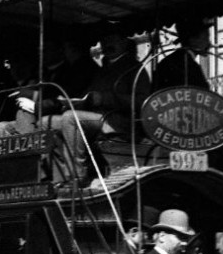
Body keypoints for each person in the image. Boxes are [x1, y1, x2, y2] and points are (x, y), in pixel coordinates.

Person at [52, 25, 152, 187]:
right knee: (48, 122)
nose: (107, 45)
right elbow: (89, 94)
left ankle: (78, 177)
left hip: (120, 122)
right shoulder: (103, 69)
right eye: (104, 41)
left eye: (112, 40)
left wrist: (104, 98)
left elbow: (142, 102)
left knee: (70, 118)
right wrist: (73, 102)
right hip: (98, 118)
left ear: (124, 42)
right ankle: (59, 178)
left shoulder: (134, 68)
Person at [151, 19, 212, 93]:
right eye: (206, 37)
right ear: (193, 39)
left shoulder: (167, 61)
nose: (209, 43)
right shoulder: (190, 65)